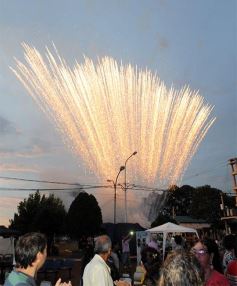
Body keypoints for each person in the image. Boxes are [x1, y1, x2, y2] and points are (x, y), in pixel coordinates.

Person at [4, 232, 70, 286]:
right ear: (39, 256)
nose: (46, 254)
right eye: (46, 250)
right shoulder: (22, 284)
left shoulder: (14, 275)